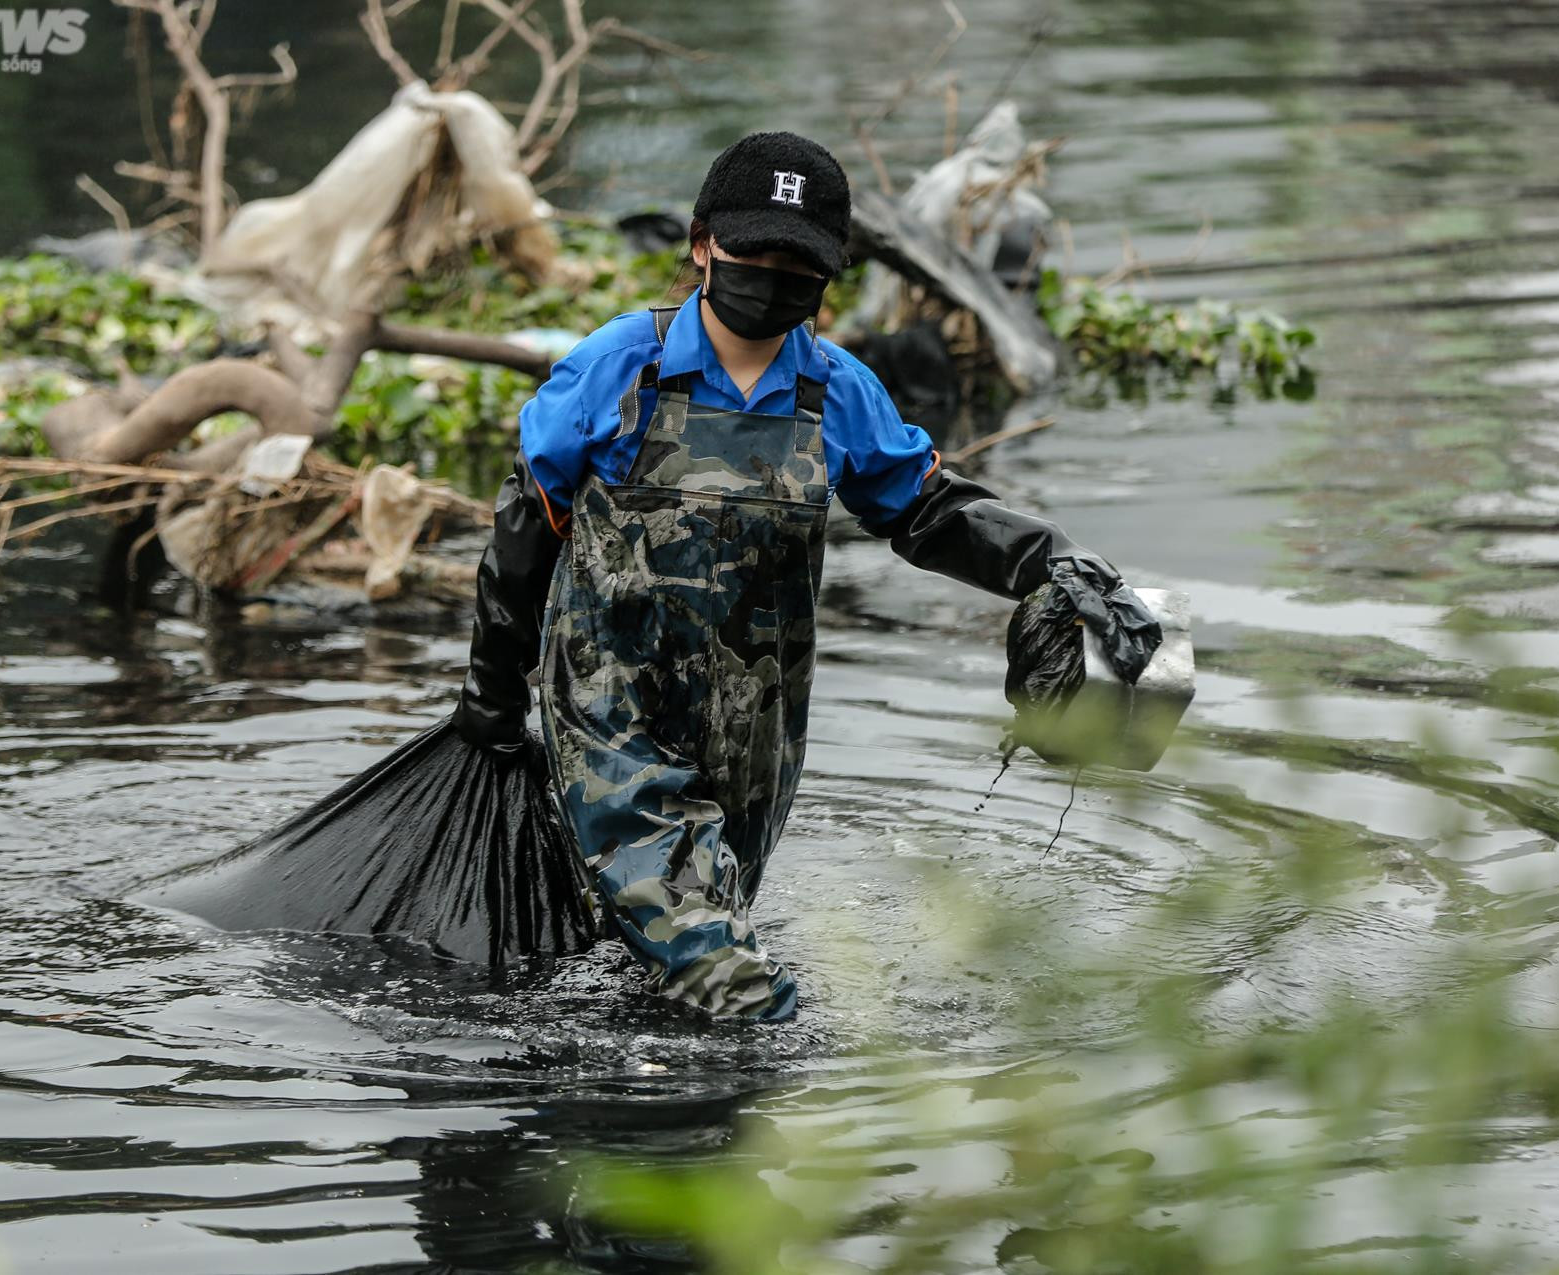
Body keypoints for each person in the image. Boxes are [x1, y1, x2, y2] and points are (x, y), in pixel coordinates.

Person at [452, 131, 1158, 1021]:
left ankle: (658, 1125)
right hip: (612, 717)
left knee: (667, 950)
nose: (774, 278)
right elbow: (531, 517)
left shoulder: (835, 390)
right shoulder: (621, 366)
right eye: (756, 253)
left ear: (831, 277)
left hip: (758, 739)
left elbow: (926, 511)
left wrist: (1049, 559)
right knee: (729, 979)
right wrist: (491, 685)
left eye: (803, 265)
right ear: (704, 242)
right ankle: (779, 1079)